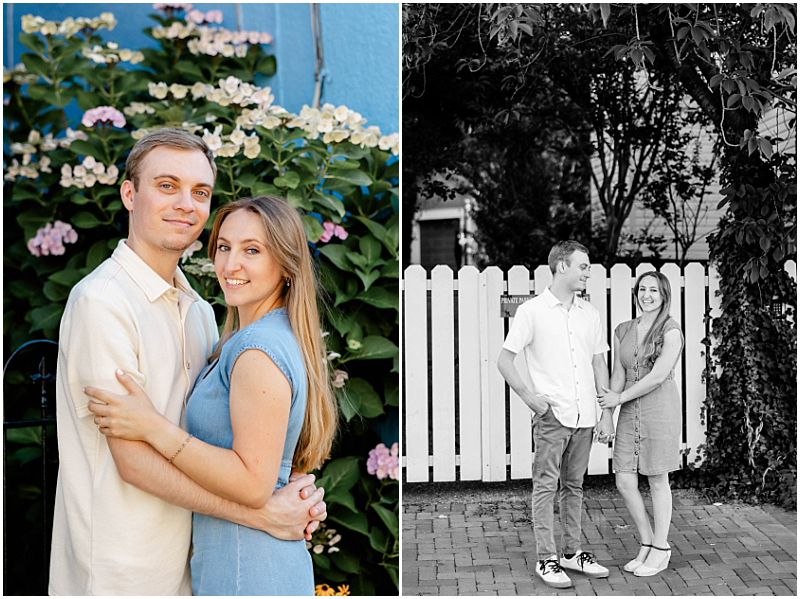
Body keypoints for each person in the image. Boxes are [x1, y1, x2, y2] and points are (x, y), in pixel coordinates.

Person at [50, 130, 327, 596]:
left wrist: (290, 486)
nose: (185, 203)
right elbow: (133, 463)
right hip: (122, 572)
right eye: (167, 185)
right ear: (129, 194)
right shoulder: (102, 303)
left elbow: (225, 441)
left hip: (193, 568)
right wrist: (263, 512)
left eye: (199, 192)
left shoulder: (200, 311)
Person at [497, 240, 613, 589]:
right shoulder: (532, 311)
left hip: (585, 417)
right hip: (552, 416)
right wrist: (530, 397)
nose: (587, 273)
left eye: (588, 268)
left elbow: (598, 363)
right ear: (561, 266)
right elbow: (504, 360)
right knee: (546, 487)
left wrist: (605, 412)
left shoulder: (589, 314)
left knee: (574, 486)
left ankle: (572, 553)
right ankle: (546, 559)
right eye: (582, 267)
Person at [597, 271, 683, 577]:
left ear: (664, 296)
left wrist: (618, 399)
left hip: (660, 407)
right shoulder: (623, 329)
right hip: (629, 408)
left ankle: (662, 548)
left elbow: (658, 376)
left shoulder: (671, 331)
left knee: (658, 478)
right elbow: (617, 375)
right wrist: (607, 413)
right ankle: (647, 542)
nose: (647, 295)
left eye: (654, 290)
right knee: (624, 480)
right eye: (642, 289)